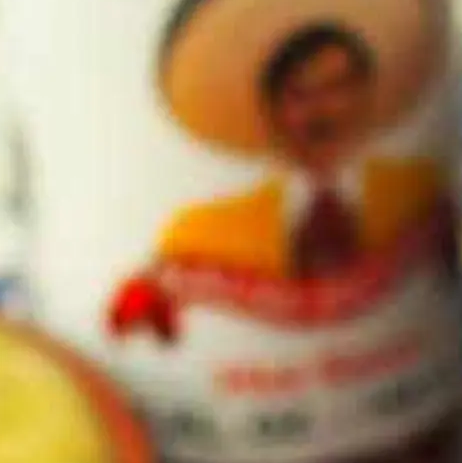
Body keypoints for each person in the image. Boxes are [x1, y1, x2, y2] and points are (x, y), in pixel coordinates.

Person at [159, 21, 442, 284]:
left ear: (366, 94)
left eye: (336, 87)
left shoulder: (425, 195)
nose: (320, 112)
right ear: (272, 111)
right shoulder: (206, 234)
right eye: (298, 94)